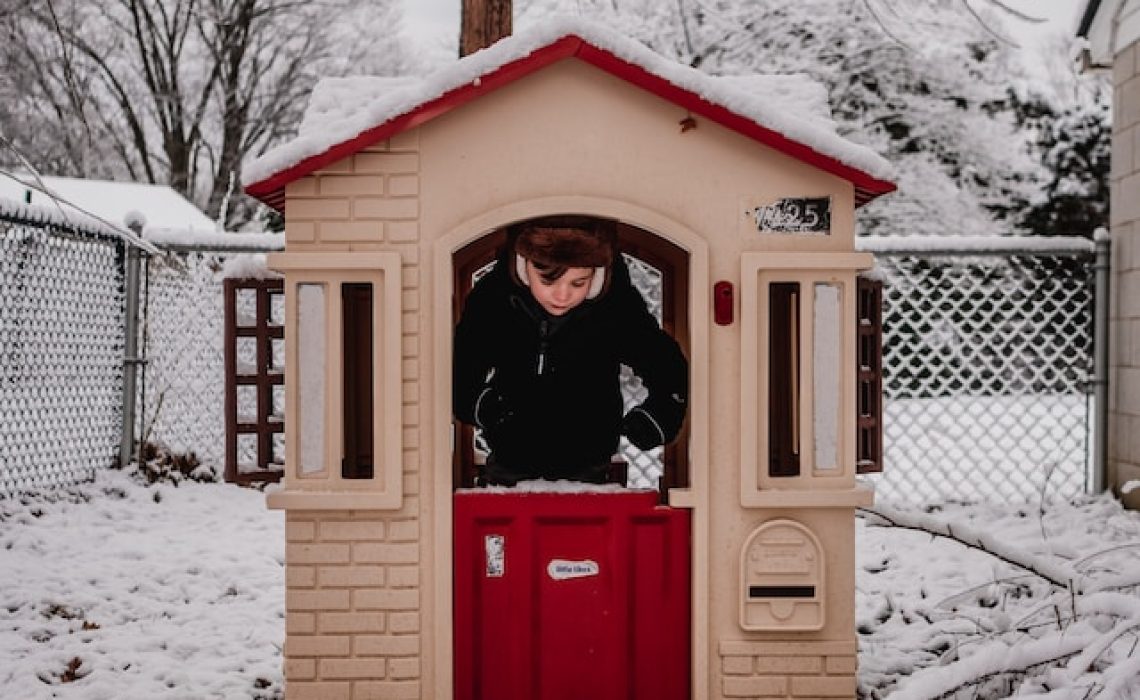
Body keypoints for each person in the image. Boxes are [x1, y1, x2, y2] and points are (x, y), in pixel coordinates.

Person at [453, 215, 689, 486]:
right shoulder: (495, 302)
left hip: (589, 466)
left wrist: (657, 417)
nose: (562, 295)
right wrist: (483, 407)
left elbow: (667, 367)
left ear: (599, 277)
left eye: (579, 283)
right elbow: (458, 369)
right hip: (509, 463)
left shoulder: (614, 309)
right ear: (522, 266)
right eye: (548, 281)